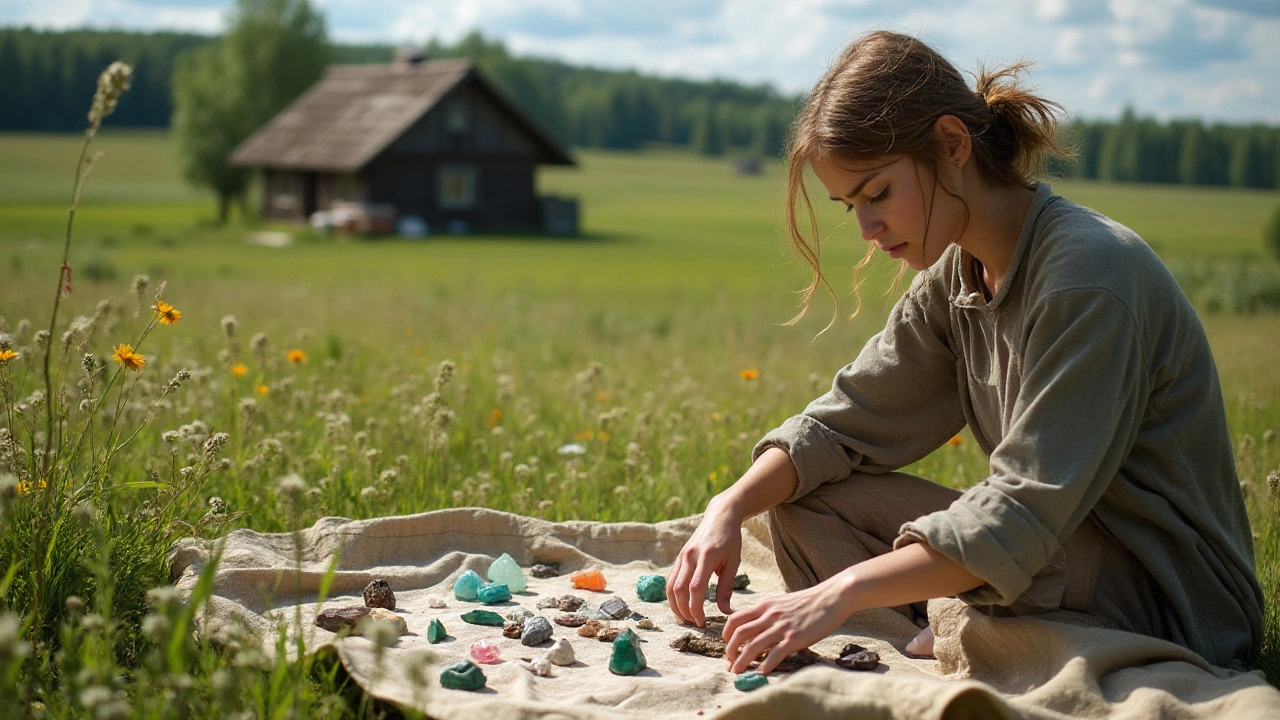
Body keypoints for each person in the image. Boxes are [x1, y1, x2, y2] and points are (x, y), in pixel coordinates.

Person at [665, 30, 1263, 676]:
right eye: (850, 207)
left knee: (916, 567)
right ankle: (944, 639)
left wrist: (836, 592)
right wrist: (725, 508)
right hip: (1052, 560)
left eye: (878, 193)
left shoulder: (1089, 279)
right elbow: (841, 422)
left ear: (952, 145)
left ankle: (957, 632)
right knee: (801, 503)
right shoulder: (957, 277)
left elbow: (1018, 516)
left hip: (1167, 595)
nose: (866, 229)